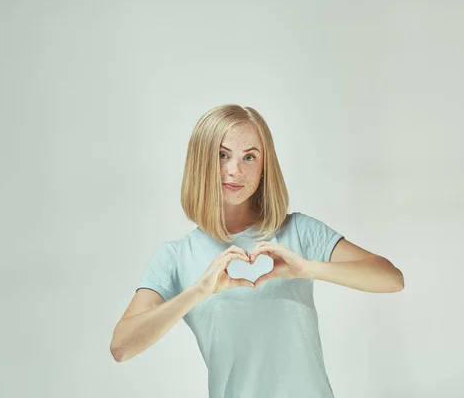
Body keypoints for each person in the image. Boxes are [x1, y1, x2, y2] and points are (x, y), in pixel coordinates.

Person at [109, 104, 405, 398]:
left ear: (264, 167)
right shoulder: (175, 257)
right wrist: (198, 291)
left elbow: (391, 279)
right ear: (201, 160)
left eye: (249, 157)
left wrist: (309, 268)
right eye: (222, 155)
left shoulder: (298, 231)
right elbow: (121, 347)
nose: (234, 170)